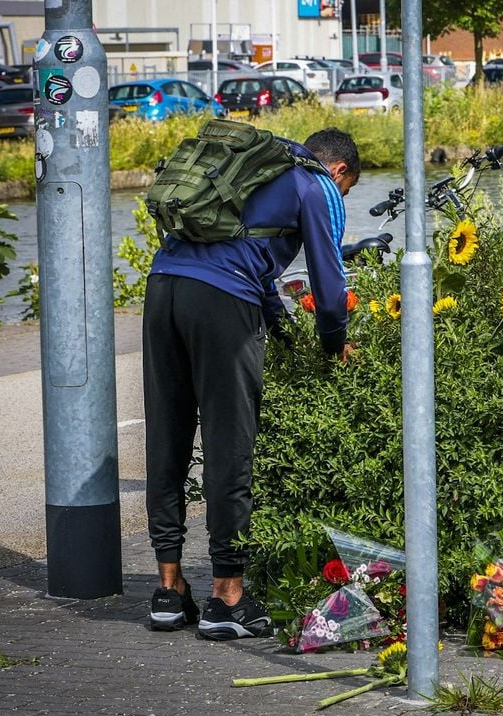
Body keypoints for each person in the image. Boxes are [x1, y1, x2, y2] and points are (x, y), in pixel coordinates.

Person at [142, 128, 360, 640]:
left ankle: (168, 592)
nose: (341, 198)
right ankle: (227, 596)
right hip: (220, 304)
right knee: (229, 448)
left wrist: (282, 331)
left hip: (163, 291)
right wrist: (332, 344)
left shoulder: (251, 172)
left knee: (167, 441)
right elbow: (330, 286)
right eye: (347, 190)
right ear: (340, 171)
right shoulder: (316, 185)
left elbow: (252, 261)